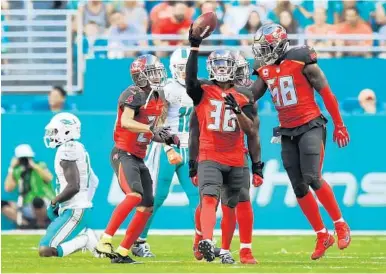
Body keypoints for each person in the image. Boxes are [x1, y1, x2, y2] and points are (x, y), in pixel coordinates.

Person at [251, 23, 351, 260]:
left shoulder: (300, 59)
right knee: (298, 186)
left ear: (278, 44)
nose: (262, 53)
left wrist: (340, 124)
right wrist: (233, 95)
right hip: (286, 130)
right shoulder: (264, 68)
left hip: (311, 124)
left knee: (313, 177)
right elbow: (252, 94)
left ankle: (340, 224)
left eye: (266, 47)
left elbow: (327, 94)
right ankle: (321, 235)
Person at [186, 28, 263, 263]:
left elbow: (251, 131)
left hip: (236, 158)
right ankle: (207, 240)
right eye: (217, 64)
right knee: (209, 198)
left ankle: (230, 249)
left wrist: (257, 165)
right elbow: (189, 80)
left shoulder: (244, 95)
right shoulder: (202, 90)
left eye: (225, 64)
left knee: (233, 205)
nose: (221, 69)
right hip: (210, 155)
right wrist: (194, 47)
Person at [95, 54, 180, 264]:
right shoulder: (133, 93)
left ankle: (123, 252)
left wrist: (168, 139)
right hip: (123, 152)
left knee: (147, 205)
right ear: (139, 76)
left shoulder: (158, 96)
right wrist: (151, 129)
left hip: (139, 156)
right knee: (134, 195)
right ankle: (104, 240)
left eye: (158, 71)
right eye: (152, 72)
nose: (158, 75)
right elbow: (126, 122)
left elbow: (155, 127)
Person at [130, 48, 199, 258]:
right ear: (173, 69)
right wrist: (168, 147)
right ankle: (137, 241)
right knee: (156, 197)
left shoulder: (199, 86)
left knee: (199, 197)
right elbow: (158, 120)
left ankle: (202, 241)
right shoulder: (167, 88)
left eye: (187, 68)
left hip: (190, 149)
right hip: (166, 146)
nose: (185, 73)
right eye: (181, 68)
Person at [38, 112, 99, 258]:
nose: (51, 135)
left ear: (66, 131)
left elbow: (74, 186)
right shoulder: (77, 147)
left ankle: (85, 239)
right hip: (78, 208)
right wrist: (85, 202)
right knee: (47, 247)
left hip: (74, 210)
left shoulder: (67, 149)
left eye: (54, 131)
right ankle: (86, 237)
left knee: (46, 250)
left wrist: (54, 201)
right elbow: (95, 181)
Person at [2, 144, 54, 229]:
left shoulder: (40, 165)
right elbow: (8, 188)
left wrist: (34, 166)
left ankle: (41, 224)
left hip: (43, 205)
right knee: (3, 204)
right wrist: (11, 168)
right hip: (26, 205)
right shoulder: (17, 170)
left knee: (37, 201)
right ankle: (25, 225)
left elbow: (49, 178)